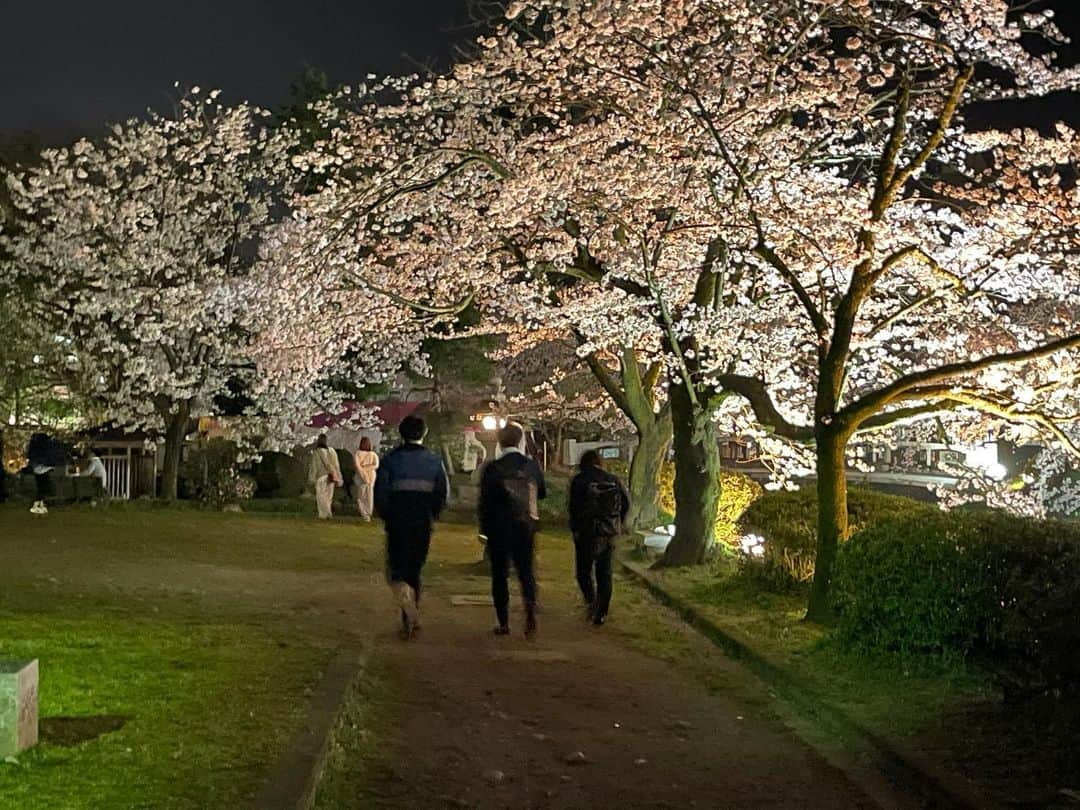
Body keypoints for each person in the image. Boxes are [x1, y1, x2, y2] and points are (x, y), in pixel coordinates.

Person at [374, 416, 449, 639]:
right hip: (422, 521)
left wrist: (386, 515)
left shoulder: (390, 460)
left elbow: (381, 493)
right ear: (423, 433)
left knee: (396, 568)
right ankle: (411, 613)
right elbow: (442, 494)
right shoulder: (434, 461)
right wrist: (432, 514)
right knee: (415, 568)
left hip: (397, 520)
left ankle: (407, 609)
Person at [479, 422, 547, 638]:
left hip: (499, 526)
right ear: (520, 440)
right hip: (525, 524)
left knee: (499, 575)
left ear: (499, 441)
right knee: (526, 572)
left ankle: (504, 622)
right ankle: (530, 613)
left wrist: (484, 529)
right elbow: (543, 492)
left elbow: (485, 502)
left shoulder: (493, 468)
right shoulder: (531, 466)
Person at [568, 450, 630, 626]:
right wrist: (619, 522)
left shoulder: (579, 480)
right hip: (608, 532)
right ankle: (602, 612)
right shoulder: (613, 479)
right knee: (604, 572)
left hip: (586, 532)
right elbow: (626, 503)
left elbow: (573, 507)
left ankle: (591, 601)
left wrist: (575, 528)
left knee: (583, 572)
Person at [309, 434, 343, 519]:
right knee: (329, 496)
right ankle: (328, 513)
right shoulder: (332, 451)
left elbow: (314, 465)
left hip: (321, 475)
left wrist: (312, 478)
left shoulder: (317, 452)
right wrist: (337, 475)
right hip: (331, 476)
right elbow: (336, 465)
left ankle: (324, 514)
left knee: (321, 495)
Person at [26, 432, 55, 515]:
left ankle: (41, 505)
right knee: (43, 489)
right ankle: (37, 505)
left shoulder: (33, 448)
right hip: (42, 469)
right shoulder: (43, 448)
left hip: (37, 469)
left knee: (42, 488)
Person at [353, 436, 379, 521]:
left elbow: (358, 466)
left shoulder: (358, 453)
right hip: (371, 476)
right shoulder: (373, 454)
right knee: (369, 495)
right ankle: (368, 512)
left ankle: (365, 514)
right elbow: (375, 465)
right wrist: (368, 470)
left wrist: (364, 472)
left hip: (361, 477)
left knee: (361, 496)